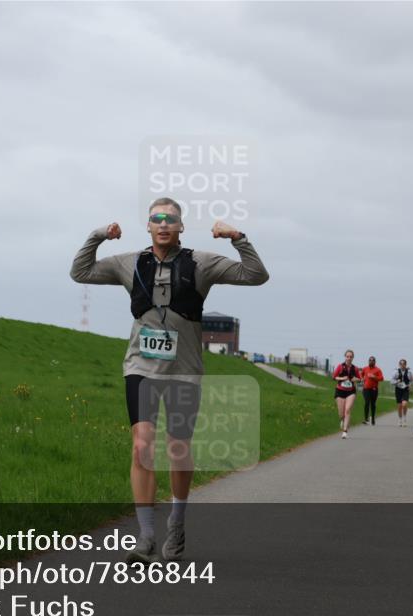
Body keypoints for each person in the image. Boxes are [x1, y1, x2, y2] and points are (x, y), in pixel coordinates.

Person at [70, 197, 269, 564]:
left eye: (171, 219)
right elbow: (80, 272)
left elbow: (255, 275)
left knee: (178, 448)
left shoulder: (201, 262)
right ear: (148, 226)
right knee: (141, 445)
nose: (163, 224)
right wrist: (99, 235)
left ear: (180, 227)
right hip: (140, 368)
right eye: (156, 219)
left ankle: (176, 522)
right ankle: (145, 534)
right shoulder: (129, 262)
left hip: (184, 371)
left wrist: (237, 236)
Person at [332, 350, 362, 439]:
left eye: (350, 357)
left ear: (353, 358)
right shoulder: (340, 366)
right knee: (341, 413)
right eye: (347, 356)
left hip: (351, 391)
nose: (349, 358)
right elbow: (334, 377)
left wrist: (354, 379)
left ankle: (345, 431)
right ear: (345, 357)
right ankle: (342, 419)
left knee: (348, 410)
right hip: (340, 390)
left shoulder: (355, 368)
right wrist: (342, 378)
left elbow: (360, 379)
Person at [360, 356, 384, 425]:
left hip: (374, 389)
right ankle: (366, 419)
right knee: (367, 402)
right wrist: (362, 378)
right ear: (368, 361)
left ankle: (373, 418)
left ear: (375, 362)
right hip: (366, 388)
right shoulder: (365, 368)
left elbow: (382, 378)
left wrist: (374, 377)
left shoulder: (378, 370)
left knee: (373, 404)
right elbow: (361, 374)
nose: (371, 361)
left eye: (372, 360)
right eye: (370, 360)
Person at [392, 359, 412, 427]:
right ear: (399, 365)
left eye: (404, 364)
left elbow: (411, 380)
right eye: (401, 364)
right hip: (398, 389)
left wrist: (410, 385)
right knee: (399, 406)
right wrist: (396, 381)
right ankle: (400, 419)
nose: (402, 365)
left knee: (404, 404)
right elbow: (391, 381)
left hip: (405, 389)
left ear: (406, 365)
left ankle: (404, 418)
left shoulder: (409, 372)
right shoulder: (396, 372)